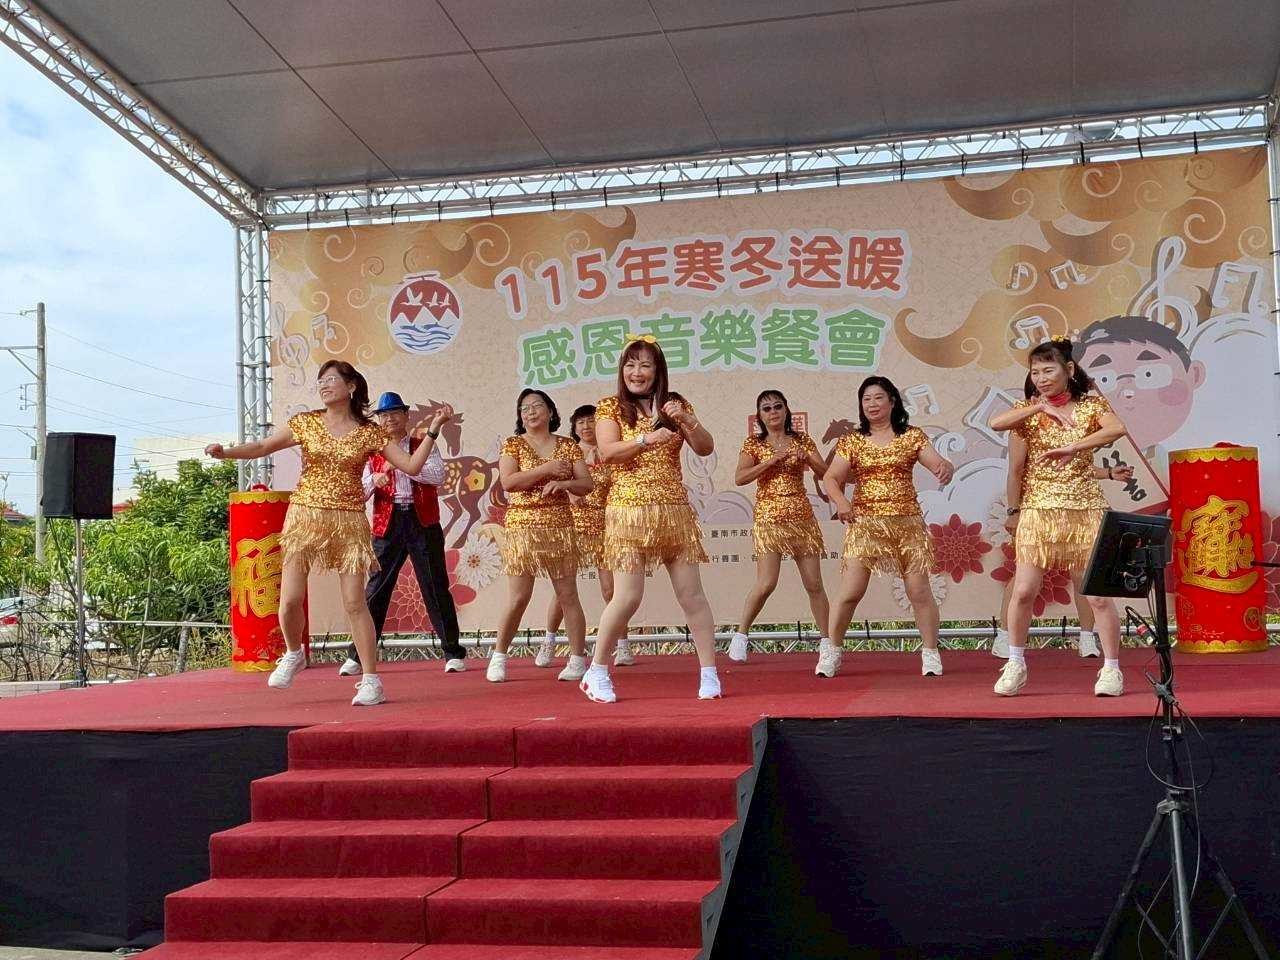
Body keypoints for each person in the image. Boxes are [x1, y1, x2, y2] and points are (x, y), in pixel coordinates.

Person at [206, 360, 453, 706]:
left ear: (350, 387)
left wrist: (433, 431)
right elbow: (263, 447)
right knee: (289, 600)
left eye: (331, 379)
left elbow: (412, 466)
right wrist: (226, 453)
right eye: (320, 380)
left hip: (348, 520)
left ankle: (371, 680)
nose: (323, 385)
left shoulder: (369, 432)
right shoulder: (306, 422)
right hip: (304, 516)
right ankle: (294, 653)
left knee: (355, 602)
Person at [580, 336, 719, 703]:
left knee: (692, 595)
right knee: (627, 597)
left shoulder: (675, 404)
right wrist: (646, 438)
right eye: (630, 364)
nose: (636, 372)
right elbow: (608, 452)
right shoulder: (610, 407)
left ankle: (709, 674)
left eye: (645, 365)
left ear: (658, 370)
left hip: (674, 512)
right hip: (628, 512)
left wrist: (686, 420)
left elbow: (705, 447)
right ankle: (596, 671)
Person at [988, 337, 1128, 697]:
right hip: (1039, 511)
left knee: (1097, 596)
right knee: (1023, 590)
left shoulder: (1091, 405)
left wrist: (1074, 446)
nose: (1041, 378)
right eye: (1035, 372)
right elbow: (996, 423)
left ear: (1069, 369)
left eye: (1048, 370)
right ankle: (1015, 663)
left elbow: (1116, 428)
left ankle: (1111, 669)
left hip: (1086, 511)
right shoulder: (1028, 412)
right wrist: (1039, 407)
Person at [821, 376, 954, 679]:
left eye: (878, 397)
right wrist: (841, 501)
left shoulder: (911, 436)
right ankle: (832, 651)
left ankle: (930, 652)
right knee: (851, 591)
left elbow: (937, 462)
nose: (872, 404)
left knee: (918, 590)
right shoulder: (853, 440)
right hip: (865, 524)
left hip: (907, 524)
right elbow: (831, 478)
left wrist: (945, 467)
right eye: (866, 399)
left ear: (892, 401)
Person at [334, 391, 468, 677]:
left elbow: (437, 476)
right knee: (376, 589)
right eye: (384, 415)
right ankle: (357, 655)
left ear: (406, 416)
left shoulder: (423, 444)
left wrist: (402, 464)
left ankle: (453, 652)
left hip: (423, 522)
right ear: (378, 420)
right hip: (388, 523)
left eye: (395, 413)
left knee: (435, 586)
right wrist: (375, 478)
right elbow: (359, 492)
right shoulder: (371, 451)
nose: (390, 419)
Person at [991, 429, 1133, 659]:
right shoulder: (1024, 426)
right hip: (1040, 512)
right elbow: (1016, 471)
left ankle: (1087, 636)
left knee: (1082, 574)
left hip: (1078, 512)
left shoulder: (1075, 423)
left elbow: (1079, 469)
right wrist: (1013, 511)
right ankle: (1005, 636)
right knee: (1024, 581)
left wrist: (1108, 473)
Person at [487, 389, 593, 683]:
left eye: (537, 406)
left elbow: (587, 484)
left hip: (559, 526)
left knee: (568, 595)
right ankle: (499, 657)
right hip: (523, 526)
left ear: (550, 412)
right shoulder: (513, 444)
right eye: (525, 408)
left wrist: (565, 484)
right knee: (519, 597)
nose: (531, 412)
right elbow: (509, 482)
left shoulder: (568, 445)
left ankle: (577, 659)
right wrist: (546, 469)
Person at [728, 389, 831, 663]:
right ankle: (740, 635)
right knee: (766, 583)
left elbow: (827, 474)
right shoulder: (753, 443)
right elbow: (740, 478)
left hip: (801, 519)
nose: (773, 412)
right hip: (769, 520)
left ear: (786, 410)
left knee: (814, 584)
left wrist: (807, 457)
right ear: (760, 416)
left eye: (777, 406)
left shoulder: (802, 440)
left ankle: (827, 643)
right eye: (767, 409)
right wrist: (770, 461)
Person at [542, 404, 636, 668]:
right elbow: (551, 486)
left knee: (611, 590)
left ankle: (623, 645)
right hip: (574, 526)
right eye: (580, 422)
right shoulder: (568, 454)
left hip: (607, 527)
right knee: (563, 592)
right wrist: (570, 493)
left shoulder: (612, 452)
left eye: (591, 421)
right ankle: (548, 642)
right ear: (574, 427)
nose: (586, 426)